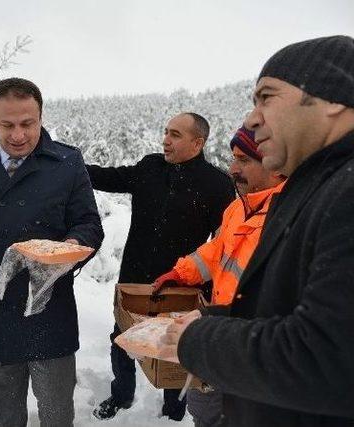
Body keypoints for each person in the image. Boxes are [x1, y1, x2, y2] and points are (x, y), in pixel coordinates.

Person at [160, 35, 354, 427]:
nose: (251, 119)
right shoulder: (315, 187)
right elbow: (285, 303)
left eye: (267, 97)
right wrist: (211, 319)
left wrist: (196, 341)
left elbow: (327, 358)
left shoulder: (346, 191)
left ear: (333, 99)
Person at [0, 77, 104, 427]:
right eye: (6, 125)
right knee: (7, 412)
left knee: (56, 413)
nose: (18, 135)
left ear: (41, 117)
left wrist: (72, 246)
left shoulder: (67, 163)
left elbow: (88, 223)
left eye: (28, 124)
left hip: (47, 308)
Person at [87, 112, 235, 421]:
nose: (165, 139)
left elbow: (222, 244)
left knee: (175, 350)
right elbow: (109, 177)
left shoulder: (216, 184)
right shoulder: (150, 167)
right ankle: (121, 395)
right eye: (166, 132)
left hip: (182, 287)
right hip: (134, 279)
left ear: (198, 142)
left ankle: (173, 410)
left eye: (176, 135)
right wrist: (67, 165)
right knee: (121, 340)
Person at [151, 125, 285, 427]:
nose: (232, 168)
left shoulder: (289, 217)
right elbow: (217, 251)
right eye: (233, 158)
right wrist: (180, 273)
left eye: (243, 160)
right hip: (215, 334)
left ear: (275, 165)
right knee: (206, 410)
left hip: (252, 349)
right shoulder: (238, 208)